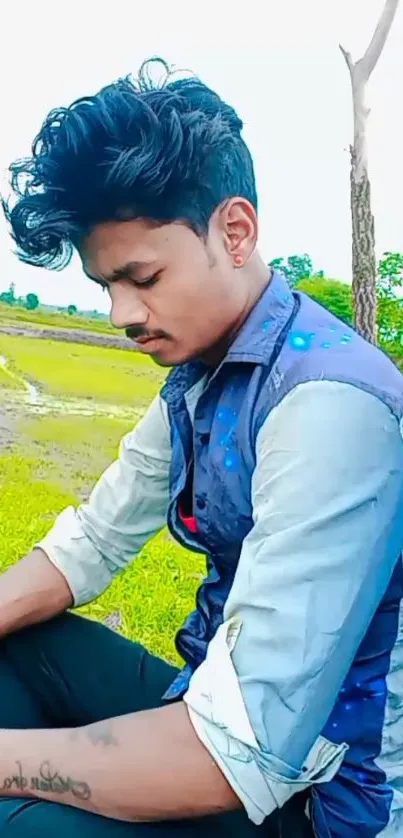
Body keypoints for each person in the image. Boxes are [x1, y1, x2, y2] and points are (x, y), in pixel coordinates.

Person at [1, 57, 403, 838]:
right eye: (105, 285)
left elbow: (236, 755)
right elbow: (91, 541)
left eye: (141, 277)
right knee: (17, 643)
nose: (121, 311)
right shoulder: (200, 373)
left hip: (318, 791)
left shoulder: (330, 408)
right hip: (209, 706)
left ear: (235, 230)